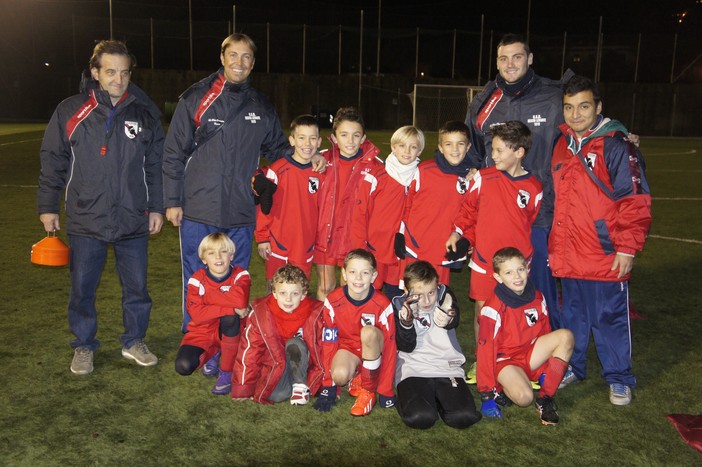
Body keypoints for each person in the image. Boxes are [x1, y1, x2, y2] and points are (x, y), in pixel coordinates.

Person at [162, 33, 323, 331]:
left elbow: (278, 149)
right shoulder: (196, 98)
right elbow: (173, 152)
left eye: (246, 56)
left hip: (241, 211)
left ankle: (228, 336)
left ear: (253, 63)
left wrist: (309, 156)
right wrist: (172, 201)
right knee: (197, 277)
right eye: (233, 55)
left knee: (235, 278)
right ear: (222, 58)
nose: (239, 62)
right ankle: (197, 336)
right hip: (199, 208)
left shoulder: (260, 105)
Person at [37, 40, 164, 375]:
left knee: (137, 289)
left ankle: (134, 341)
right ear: (95, 72)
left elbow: (156, 165)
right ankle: (83, 345)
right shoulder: (70, 110)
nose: (118, 79)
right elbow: (53, 161)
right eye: (110, 72)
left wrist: (157, 207)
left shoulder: (143, 112)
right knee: (82, 289)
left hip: (133, 216)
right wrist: (48, 206)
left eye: (124, 73)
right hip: (86, 216)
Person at [549, 75, 651, 406]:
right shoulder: (562, 143)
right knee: (573, 316)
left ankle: (619, 377)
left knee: (611, 317)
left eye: (584, 106)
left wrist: (626, 247)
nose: (575, 114)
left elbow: (634, 200)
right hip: (569, 250)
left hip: (604, 252)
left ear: (599, 107)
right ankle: (573, 367)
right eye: (569, 107)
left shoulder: (617, 145)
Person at [465, 33, 573, 331]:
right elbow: (469, 148)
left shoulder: (553, 95)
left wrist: (617, 131)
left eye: (516, 56)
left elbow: (583, 121)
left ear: (530, 58)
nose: (510, 63)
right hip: (495, 217)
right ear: (496, 62)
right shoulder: (485, 100)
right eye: (503, 58)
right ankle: (496, 353)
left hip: (539, 212)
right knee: (491, 291)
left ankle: (543, 352)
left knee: (537, 287)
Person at [445, 120, 542, 383]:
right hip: (485, 259)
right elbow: (468, 211)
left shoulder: (534, 187)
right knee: (484, 311)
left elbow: (528, 219)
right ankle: (483, 358)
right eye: (493, 149)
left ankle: (514, 358)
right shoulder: (483, 178)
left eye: (500, 150)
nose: (494, 155)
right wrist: (458, 232)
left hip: (517, 263)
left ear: (519, 152)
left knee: (514, 312)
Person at [477, 247, 574, 426]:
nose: (517, 276)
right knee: (524, 398)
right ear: (498, 278)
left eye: (520, 269)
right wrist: (486, 393)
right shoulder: (492, 309)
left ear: (527, 269)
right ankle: (500, 390)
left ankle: (545, 399)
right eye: (509, 272)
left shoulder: (537, 297)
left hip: (530, 354)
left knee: (565, 336)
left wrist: (546, 369)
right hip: (504, 360)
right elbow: (485, 351)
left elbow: (545, 334)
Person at [392, 261, 482, 429]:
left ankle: (440, 401)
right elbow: (406, 346)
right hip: (414, 369)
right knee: (420, 418)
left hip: (447, 367)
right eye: (419, 294)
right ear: (406, 291)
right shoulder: (398, 304)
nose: (427, 300)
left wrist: (449, 316)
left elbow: (452, 314)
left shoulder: (443, 297)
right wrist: (407, 323)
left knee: (464, 417)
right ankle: (427, 401)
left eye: (431, 292)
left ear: (437, 287)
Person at [313, 249, 397, 416]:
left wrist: (386, 390)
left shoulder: (383, 304)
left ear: (373, 276)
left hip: (374, 346)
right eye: (352, 272)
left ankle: (368, 389)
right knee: (339, 376)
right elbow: (329, 343)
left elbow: (390, 345)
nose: (358, 278)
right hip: (349, 349)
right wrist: (329, 385)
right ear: (344, 274)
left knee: (368, 332)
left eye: (365, 273)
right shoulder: (332, 301)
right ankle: (359, 374)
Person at [395, 121, 476, 286]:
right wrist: (401, 233)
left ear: (468, 147)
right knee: (410, 296)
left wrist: (467, 239)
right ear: (440, 147)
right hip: (414, 245)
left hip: (442, 248)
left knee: (436, 299)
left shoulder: (473, 179)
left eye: (460, 144)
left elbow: (474, 215)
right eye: (448, 144)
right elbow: (407, 204)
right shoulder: (423, 169)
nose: (454, 149)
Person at [230, 264, 324, 405]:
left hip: (305, 360)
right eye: (283, 293)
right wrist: (243, 387)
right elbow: (250, 350)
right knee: (276, 395)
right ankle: (294, 382)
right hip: (277, 362)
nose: (288, 299)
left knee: (295, 343)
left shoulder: (316, 313)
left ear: (304, 294)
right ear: (274, 293)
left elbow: (326, 349)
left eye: (295, 294)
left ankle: (300, 385)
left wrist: (328, 385)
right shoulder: (261, 314)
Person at [314, 107, 382, 300]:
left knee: (351, 289)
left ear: (363, 138)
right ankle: (324, 327)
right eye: (344, 135)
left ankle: (347, 328)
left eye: (355, 135)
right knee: (325, 287)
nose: (350, 141)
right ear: (334, 138)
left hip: (355, 238)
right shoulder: (322, 159)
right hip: (326, 236)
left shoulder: (375, 166)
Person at [351, 125, 423, 300]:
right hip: (375, 247)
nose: (407, 151)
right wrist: (361, 247)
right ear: (393, 147)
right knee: (368, 292)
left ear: (419, 150)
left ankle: (393, 325)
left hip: (402, 249)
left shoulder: (421, 177)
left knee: (396, 294)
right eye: (402, 146)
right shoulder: (376, 175)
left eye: (413, 147)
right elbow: (360, 213)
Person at [174, 233, 251, 396]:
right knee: (183, 366)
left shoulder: (241, 275)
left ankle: (226, 372)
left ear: (231, 255)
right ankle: (214, 351)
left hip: (231, 331)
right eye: (211, 253)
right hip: (203, 330)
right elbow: (197, 315)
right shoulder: (196, 279)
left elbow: (239, 300)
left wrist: (207, 299)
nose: (218, 257)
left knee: (230, 319)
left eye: (223, 251)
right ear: (203, 259)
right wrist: (228, 307)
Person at [255, 115, 324, 292]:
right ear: (292, 140)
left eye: (312, 138)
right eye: (301, 138)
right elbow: (264, 207)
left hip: (305, 245)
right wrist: (262, 238)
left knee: (300, 291)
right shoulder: (277, 170)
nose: (307, 143)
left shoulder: (321, 172)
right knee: (274, 290)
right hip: (278, 244)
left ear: (319, 142)